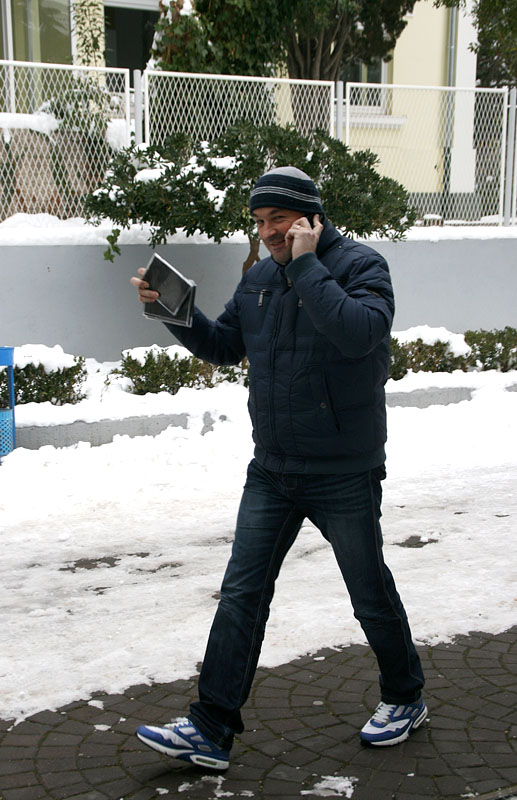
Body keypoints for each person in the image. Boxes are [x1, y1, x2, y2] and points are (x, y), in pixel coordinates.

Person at [130, 166, 426, 771]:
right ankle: (211, 729)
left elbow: (356, 335)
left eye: (278, 220)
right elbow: (225, 346)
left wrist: (306, 264)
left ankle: (405, 696)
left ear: (311, 218)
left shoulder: (361, 267)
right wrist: (173, 312)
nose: (266, 232)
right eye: (260, 221)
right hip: (273, 468)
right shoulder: (258, 277)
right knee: (241, 593)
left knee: (367, 591)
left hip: (344, 468)